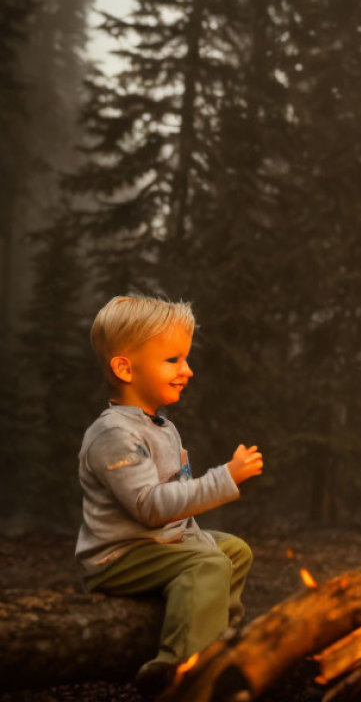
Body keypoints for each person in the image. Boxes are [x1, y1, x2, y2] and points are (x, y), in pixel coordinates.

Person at [76, 295, 264, 696]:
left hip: (159, 544)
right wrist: (224, 478)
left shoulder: (161, 426)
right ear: (125, 367)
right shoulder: (114, 434)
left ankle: (220, 643)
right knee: (208, 565)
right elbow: (149, 508)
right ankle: (183, 669)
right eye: (173, 360)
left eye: (186, 359)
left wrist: (197, 537)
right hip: (120, 556)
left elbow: (176, 499)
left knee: (234, 552)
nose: (188, 370)